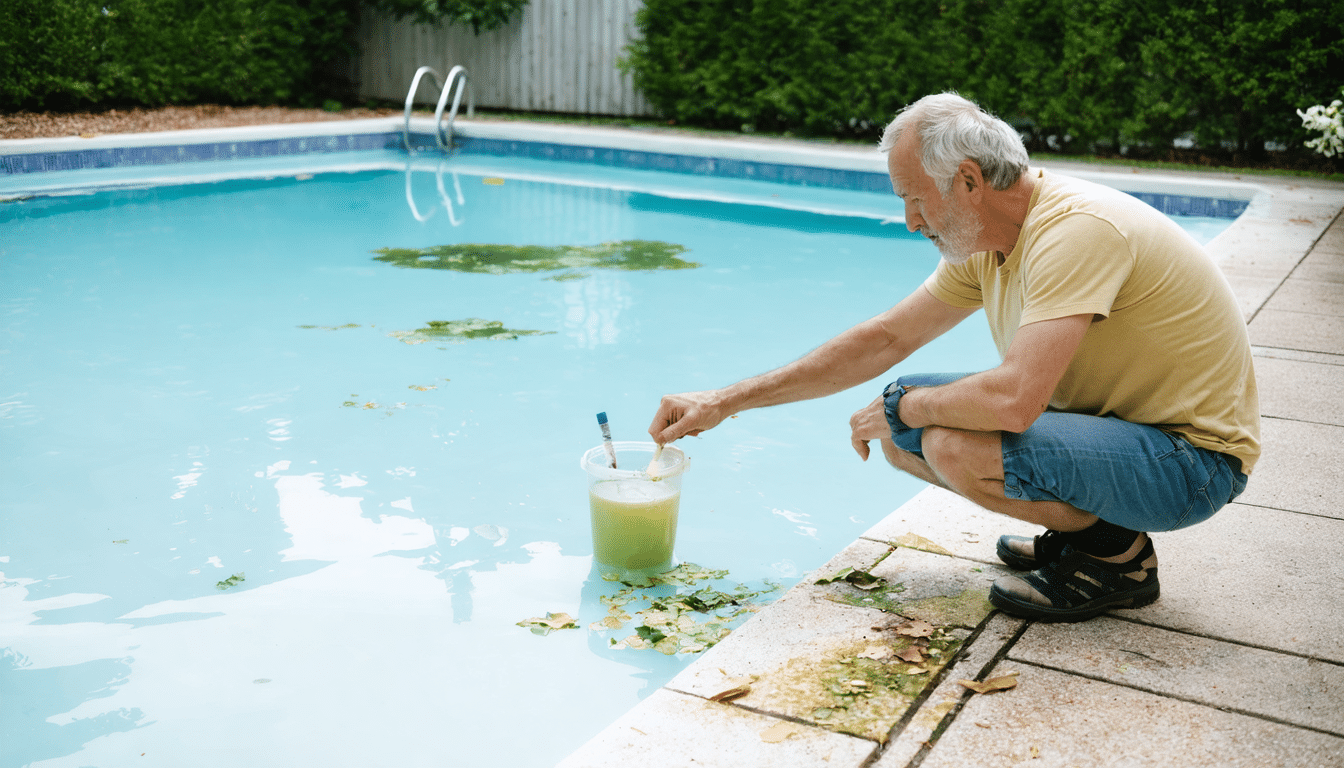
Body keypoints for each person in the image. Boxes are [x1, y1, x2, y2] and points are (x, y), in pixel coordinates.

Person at [647, 92, 1258, 623]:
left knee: (943, 439)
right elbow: (885, 338)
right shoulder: (989, 242)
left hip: (1191, 461)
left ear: (968, 180)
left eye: (914, 199)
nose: (910, 223)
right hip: (1123, 431)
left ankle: (1116, 557)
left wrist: (906, 407)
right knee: (898, 425)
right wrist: (724, 401)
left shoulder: (1078, 231)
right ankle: (1094, 532)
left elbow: (1015, 402)